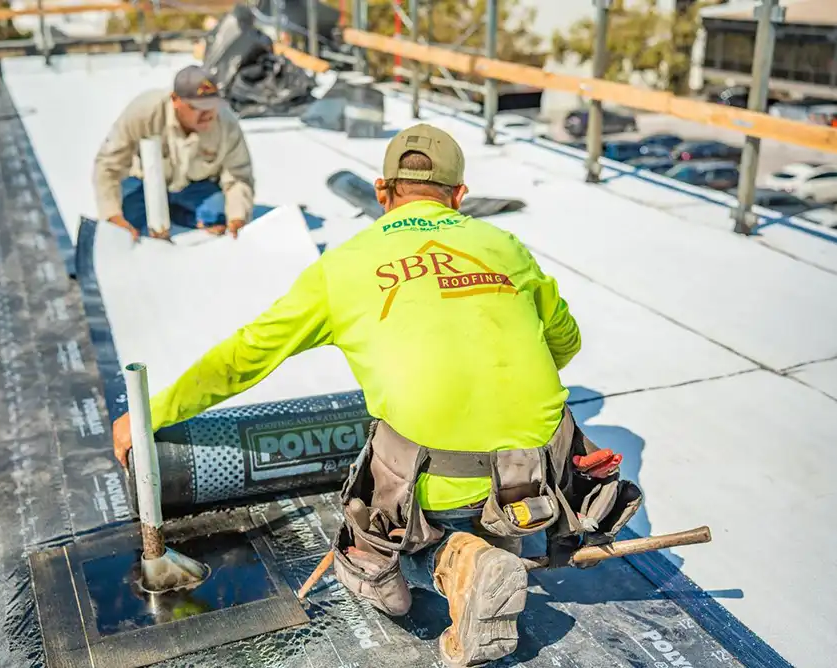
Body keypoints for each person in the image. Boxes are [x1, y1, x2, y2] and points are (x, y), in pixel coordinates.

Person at [111, 124, 640, 667]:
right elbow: (564, 343)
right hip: (537, 474)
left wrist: (151, 413)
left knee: (376, 500)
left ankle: (434, 561)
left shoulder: (343, 267)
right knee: (527, 436)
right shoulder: (504, 246)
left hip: (442, 479)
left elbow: (246, 356)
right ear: (459, 196)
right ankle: (510, 532)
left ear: (382, 192)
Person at [93, 65, 255, 240]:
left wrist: (238, 218)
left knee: (219, 216)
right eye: (197, 107)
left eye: (212, 105)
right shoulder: (144, 111)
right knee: (126, 223)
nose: (208, 114)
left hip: (195, 188)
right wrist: (113, 216)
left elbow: (238, 176)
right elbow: (108, 165)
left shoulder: (226, 123)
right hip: (144, 186)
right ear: (175, 100)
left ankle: (179, 213)